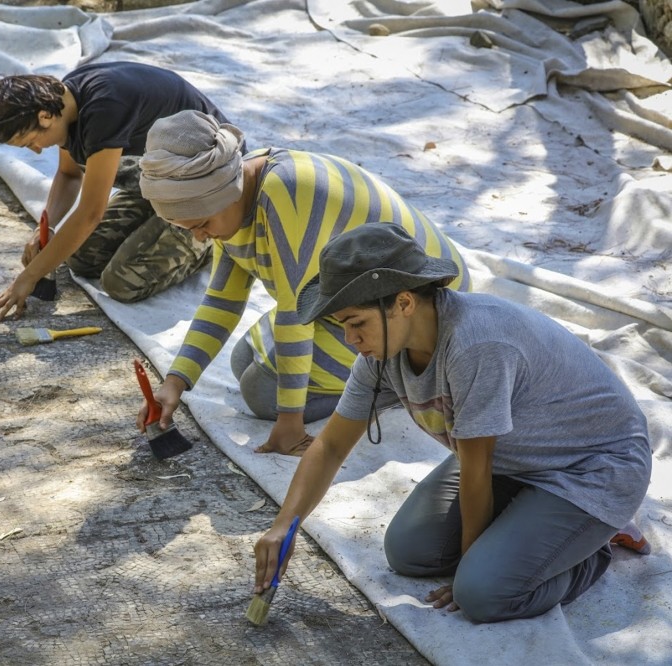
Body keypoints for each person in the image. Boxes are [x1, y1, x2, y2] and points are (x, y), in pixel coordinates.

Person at [252, 223, 653, 622]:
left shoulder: (476, 345)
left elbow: (475, 471)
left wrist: (469, 570)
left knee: (483, 594)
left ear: (404, 303)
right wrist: (283, 526)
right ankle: (534, 531)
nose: (350, 339)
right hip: (513, 458)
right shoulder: (383, 351)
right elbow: (333, 446)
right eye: (343, 325)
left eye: (357, 323)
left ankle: (594, 547)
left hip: (594, 467)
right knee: (409, 551)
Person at [136, 110, 471, 456]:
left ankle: (394, 383)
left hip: (416, 311)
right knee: (243, 360)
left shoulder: (286, 192)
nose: (201, 238)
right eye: (188, 228)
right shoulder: (231, 187)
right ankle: (374, 377)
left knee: (260, 393)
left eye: (202, 224)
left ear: (226, 193)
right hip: (343, 303)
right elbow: (222, 301)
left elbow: (294, 314)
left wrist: (290, 424)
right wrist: (175, 383)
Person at [0, 61, 242, 321]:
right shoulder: (64, 103)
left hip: (205, 190)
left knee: (123, 282)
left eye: (30, 141)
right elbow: (69, 175)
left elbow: (91, 213)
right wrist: (45, 227)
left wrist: (28, 277)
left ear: (44, 117)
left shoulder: (104, 109)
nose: (36, 150)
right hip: (159, 184)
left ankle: (207, 240)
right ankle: (162, 221)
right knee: (80, 257)